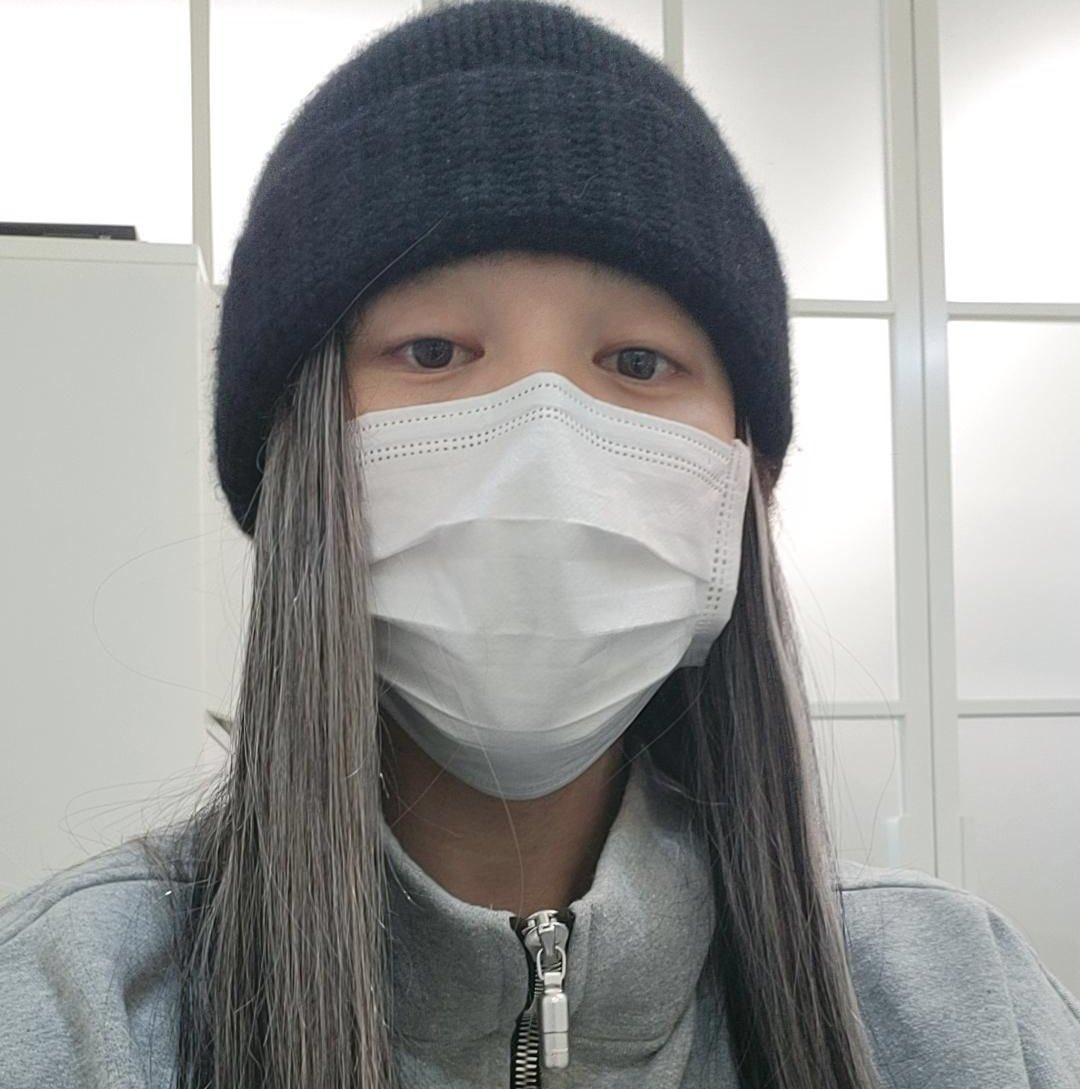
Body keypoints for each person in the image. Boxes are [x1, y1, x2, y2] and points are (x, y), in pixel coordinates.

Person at [1, 1, 1078, 1087]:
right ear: (294, 455)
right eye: (433, 350)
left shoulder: (963, 1007)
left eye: (640, 363)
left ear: (741, 472)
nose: (542, 445)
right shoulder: (76, 1015)